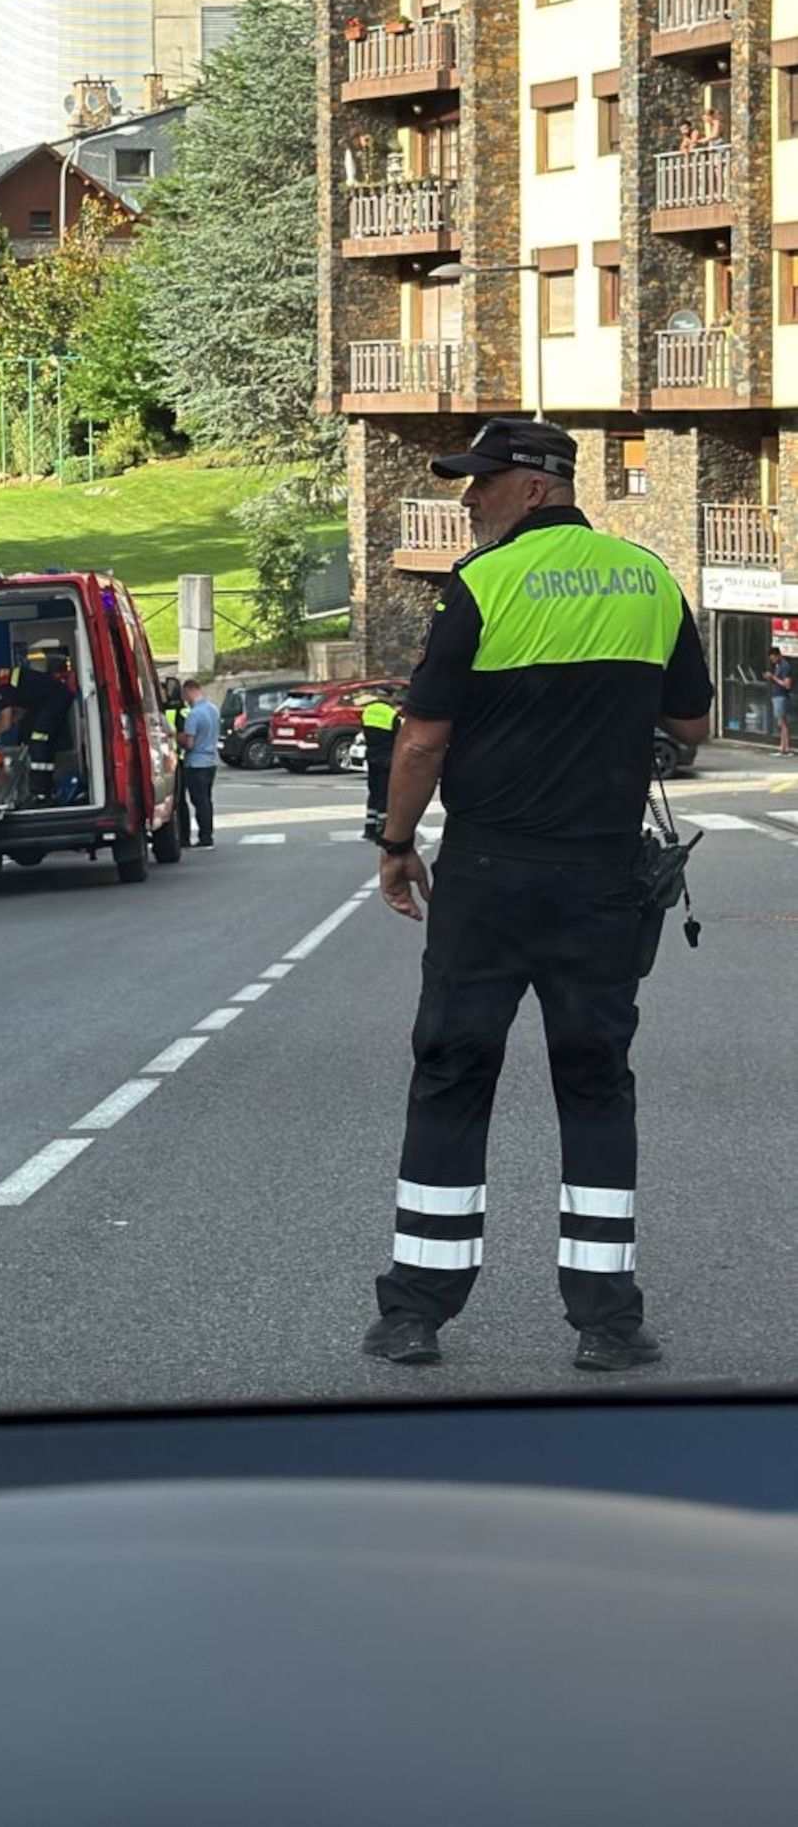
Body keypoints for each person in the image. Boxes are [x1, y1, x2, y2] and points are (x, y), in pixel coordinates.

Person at [365, 418, 711, 1378]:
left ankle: (416, 1313)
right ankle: (607, 1319)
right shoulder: (648, 578)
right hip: (602, 879)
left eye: (483, 481)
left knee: (452, 1074)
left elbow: (424, 738)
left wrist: (397, 845)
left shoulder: (483, 585)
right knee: (595, 1083)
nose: (469, 499)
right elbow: (693, 717)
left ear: (537, 487)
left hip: (488, 874)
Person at [0, 647, 79, 798]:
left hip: (54, 699)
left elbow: (5, 722)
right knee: (38, 738)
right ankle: (46, 786)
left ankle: (40, 791)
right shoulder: (8, 677)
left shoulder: (2, 685)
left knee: (38, 739)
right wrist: (1, 725)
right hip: (52, 699)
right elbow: (20, 713)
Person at [180, 679, 219, 847]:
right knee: (206, 800)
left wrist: (176, 737)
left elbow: (189, 743)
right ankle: (207, 834)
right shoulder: (213, 709)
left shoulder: (194, 714)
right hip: (211, 761)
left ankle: (204, 837)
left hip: (196, 763)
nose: (184, 699)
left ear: (188, 692)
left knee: (199, 801)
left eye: (184, 695)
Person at [359, 693, 400, 844]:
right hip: (386, 758)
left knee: (374, 791)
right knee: (384, 793)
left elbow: (364, 730)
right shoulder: (391, 714)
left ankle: (369, 827)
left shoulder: (368, 711)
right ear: (389, 697)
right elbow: (398, 737)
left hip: (371, 756)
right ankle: (382, 828)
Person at [162, 672, 190, 849]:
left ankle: (183, 838)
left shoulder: (179, 710)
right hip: (165, 760)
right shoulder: (164, 709)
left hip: (176, 759)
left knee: (178, 802)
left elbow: (184, 736)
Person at [766, 646, 792, 757]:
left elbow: (787, 684)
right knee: (781, 722)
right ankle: (783, 746)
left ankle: (785, 748)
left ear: (778, 655)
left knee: (782, 722)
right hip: (777, 696)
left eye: (773, 658)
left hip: (781, 696)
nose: (772, 661)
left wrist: (773, 678)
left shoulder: (785, 666)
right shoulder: (778, 666)